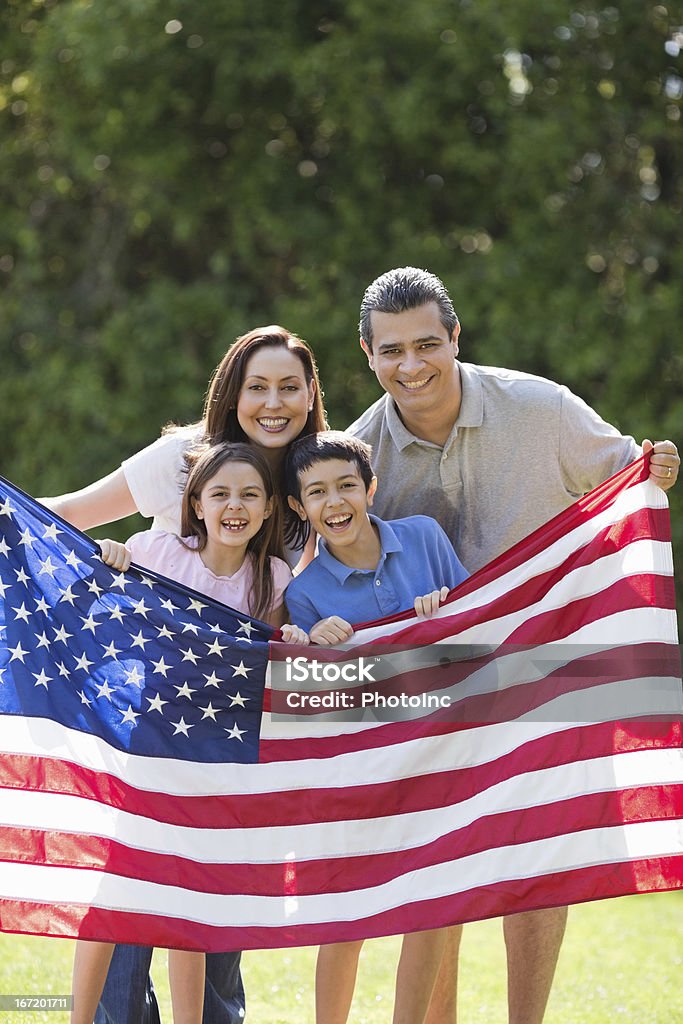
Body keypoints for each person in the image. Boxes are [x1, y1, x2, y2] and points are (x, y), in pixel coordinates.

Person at [346, 265, 680, 1024]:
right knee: (437, 871)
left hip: (542, 671)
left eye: (427, 343)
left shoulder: (541, 408)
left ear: (455, 337)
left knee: (536, 861)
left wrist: (654, 469)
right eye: (391, 350)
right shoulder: (360, 453)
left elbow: (627, 477)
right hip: (431, 688)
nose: (411, 365)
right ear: (366, 353)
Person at [43, 324, 327, 1024]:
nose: (273, 401)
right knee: (125, 903)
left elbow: (317, 598)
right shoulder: (173, 485)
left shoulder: (306, 495)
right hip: (148, 730)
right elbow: (76, 523)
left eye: (289, 387)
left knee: (205, 912)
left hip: (224, 744)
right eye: (257, 386)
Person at [70, 442, 308, 1024]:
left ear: (270, 507)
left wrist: (297, 637)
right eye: (220, 494)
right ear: (196, 503)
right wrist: (111, 555)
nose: (235, 506)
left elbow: (272, 654)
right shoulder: (160, 551)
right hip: (151, 747)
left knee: (194, 902)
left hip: (219, 761)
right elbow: (107, 596)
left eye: (250, 495)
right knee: (120, 890)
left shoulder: (272, 577)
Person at [284, 430, 469, 1024]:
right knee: (347, 912)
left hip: (439, 752)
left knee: (432, 908)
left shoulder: (425, 538)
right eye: (316, 493)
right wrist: (317, 646)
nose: (334, 502)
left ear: (370, 488)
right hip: (364, 766)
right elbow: (320, 698)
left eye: (345, 486)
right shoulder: (305, 593)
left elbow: (480, 623)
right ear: (298, 506)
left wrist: (449, 611)